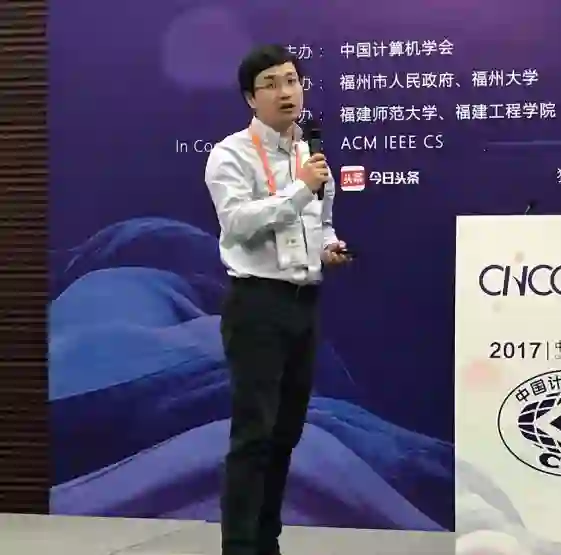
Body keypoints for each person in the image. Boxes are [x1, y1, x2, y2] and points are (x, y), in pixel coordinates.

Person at [204, 44, 351, 555]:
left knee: (286, 433)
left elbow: (322, 222)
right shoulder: (230, 154)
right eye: (271, 84)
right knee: (254, 435)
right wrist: (300, 191)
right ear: (251, 97)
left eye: (292, 80)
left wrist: (329, 247)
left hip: (302, 304)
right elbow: (238, 224)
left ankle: (267, 543)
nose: (286, 92)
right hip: (257, 305)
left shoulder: (311, 155)